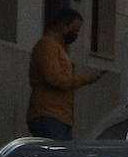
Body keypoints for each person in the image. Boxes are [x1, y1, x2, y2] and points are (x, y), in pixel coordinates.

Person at [26, 8, 105, 140]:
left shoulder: (60, 47)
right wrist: (86, 78)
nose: (75, 35)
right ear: (63, 24)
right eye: (74, 30)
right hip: (49, 114)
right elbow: (54, 78)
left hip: (60, 115)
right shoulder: (48, 45)